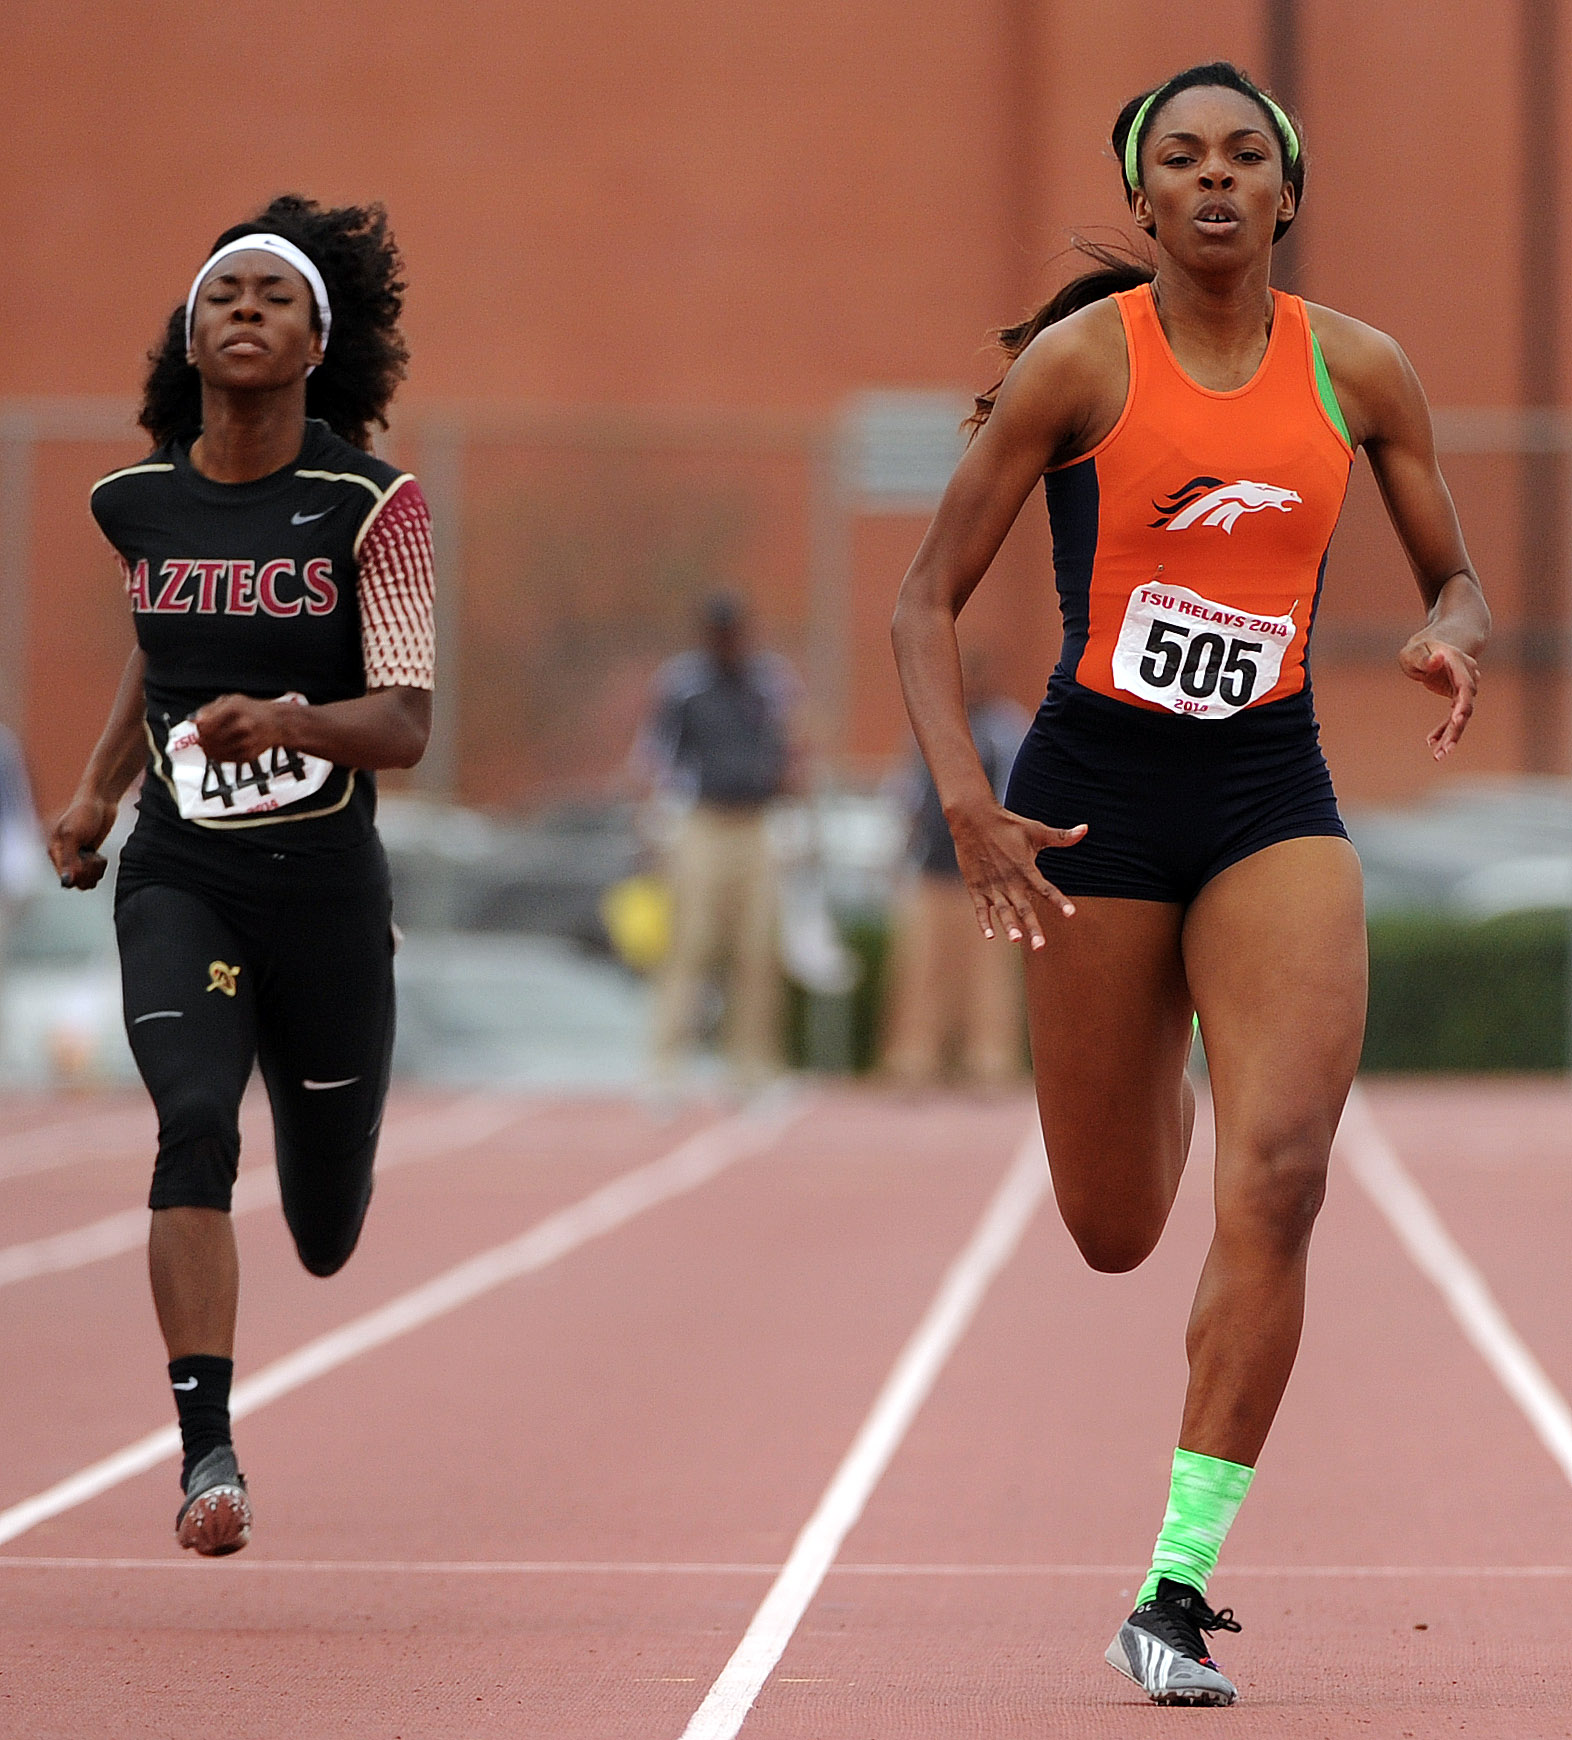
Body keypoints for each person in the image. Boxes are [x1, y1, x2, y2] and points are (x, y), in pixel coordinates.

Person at [891, 62, 1487, 1705]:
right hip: (1089, 801)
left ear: (1285, 194)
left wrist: (1452, 629)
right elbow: (921, 601)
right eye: (1180, 160)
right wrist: (964, 799)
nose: (1213, 180)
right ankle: (1144, 1035)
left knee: (1279, 1170)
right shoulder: (1080, 367)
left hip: (1264, 789)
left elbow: (1453, 566)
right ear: (1143, 199)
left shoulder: (1358, 370)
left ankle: (1174, 1583)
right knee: (1111, 1227)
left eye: (1243, 156)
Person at [50, 195, 434, 1557]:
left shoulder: (373, 507)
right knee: (194, 1120)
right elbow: (160, 649)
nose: (249, 311)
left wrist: (286, 721)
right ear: (193, 337)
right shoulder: (136, 502)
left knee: (327, 1224)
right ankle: (206, 1451)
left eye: (278, 297)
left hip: (325, 890)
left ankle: (330, 1141)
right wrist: (101, 789)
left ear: (319, 340)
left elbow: (404, 723)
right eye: (226, 296)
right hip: (183, 874)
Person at [639, 592, 803, 1092]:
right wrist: (655, 821)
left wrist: (793, 803)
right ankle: (666, 1070)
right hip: (703, 824)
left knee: (757, 951)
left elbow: (792, 746)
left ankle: (751, 1070)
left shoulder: (769, 682)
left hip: (756, 825)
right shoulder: (682, 685)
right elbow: (654, 755)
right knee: (690, 946)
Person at [881, 651, 1027, 1088]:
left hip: (988, 877)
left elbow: (1015, 794)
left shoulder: (1005, 730)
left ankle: (990, 1061)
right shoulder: (932, 724)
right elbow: (908, 792)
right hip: (934, 867)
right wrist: (903, 849)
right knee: (922, 970)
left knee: (988, 975)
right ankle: (914, 1058)